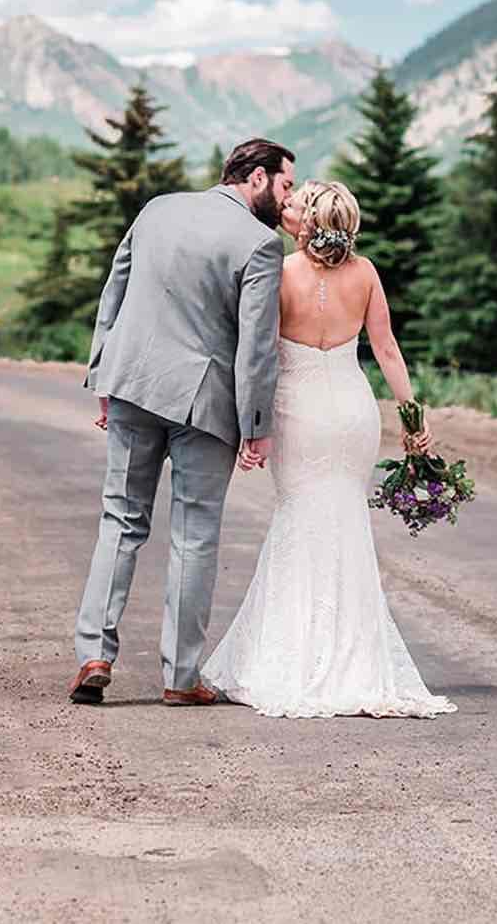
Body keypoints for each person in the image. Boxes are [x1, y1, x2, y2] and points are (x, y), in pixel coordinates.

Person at [201, 181, 457, 718]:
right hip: (352, 414)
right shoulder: (365, 275)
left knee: (299, 519)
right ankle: (355, 659)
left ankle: (293, 654)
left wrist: (253, 424)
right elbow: (386, 349)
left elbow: (263, 353)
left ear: (308, 225)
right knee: (345, 522)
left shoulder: (281, 272)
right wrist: (413, 418)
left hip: (300, 412)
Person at [68, 138, 295, 707]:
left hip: (131, 384)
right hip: (202, 405)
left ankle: (94, 654)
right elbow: (256, 350)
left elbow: (113, 293)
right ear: (259, 179)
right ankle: (180, 678)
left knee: (119, 519)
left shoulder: (157, 209)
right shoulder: (260, 244)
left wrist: (102, 375)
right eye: (286, 185)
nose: (287, 199)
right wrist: (258, 424)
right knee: (194, 536)